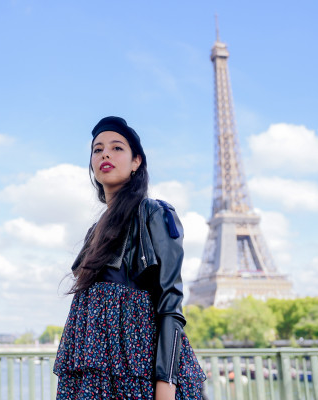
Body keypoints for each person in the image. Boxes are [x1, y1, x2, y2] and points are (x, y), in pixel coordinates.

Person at [53, 116, 206, 399]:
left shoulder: (154, 213)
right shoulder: (94, 232)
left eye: (117, 148)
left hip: (138, 371)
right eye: (97, 150)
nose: (105, 154)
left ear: (136, 161)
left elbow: (170, 303)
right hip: (94, 370)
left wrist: (166, 383)